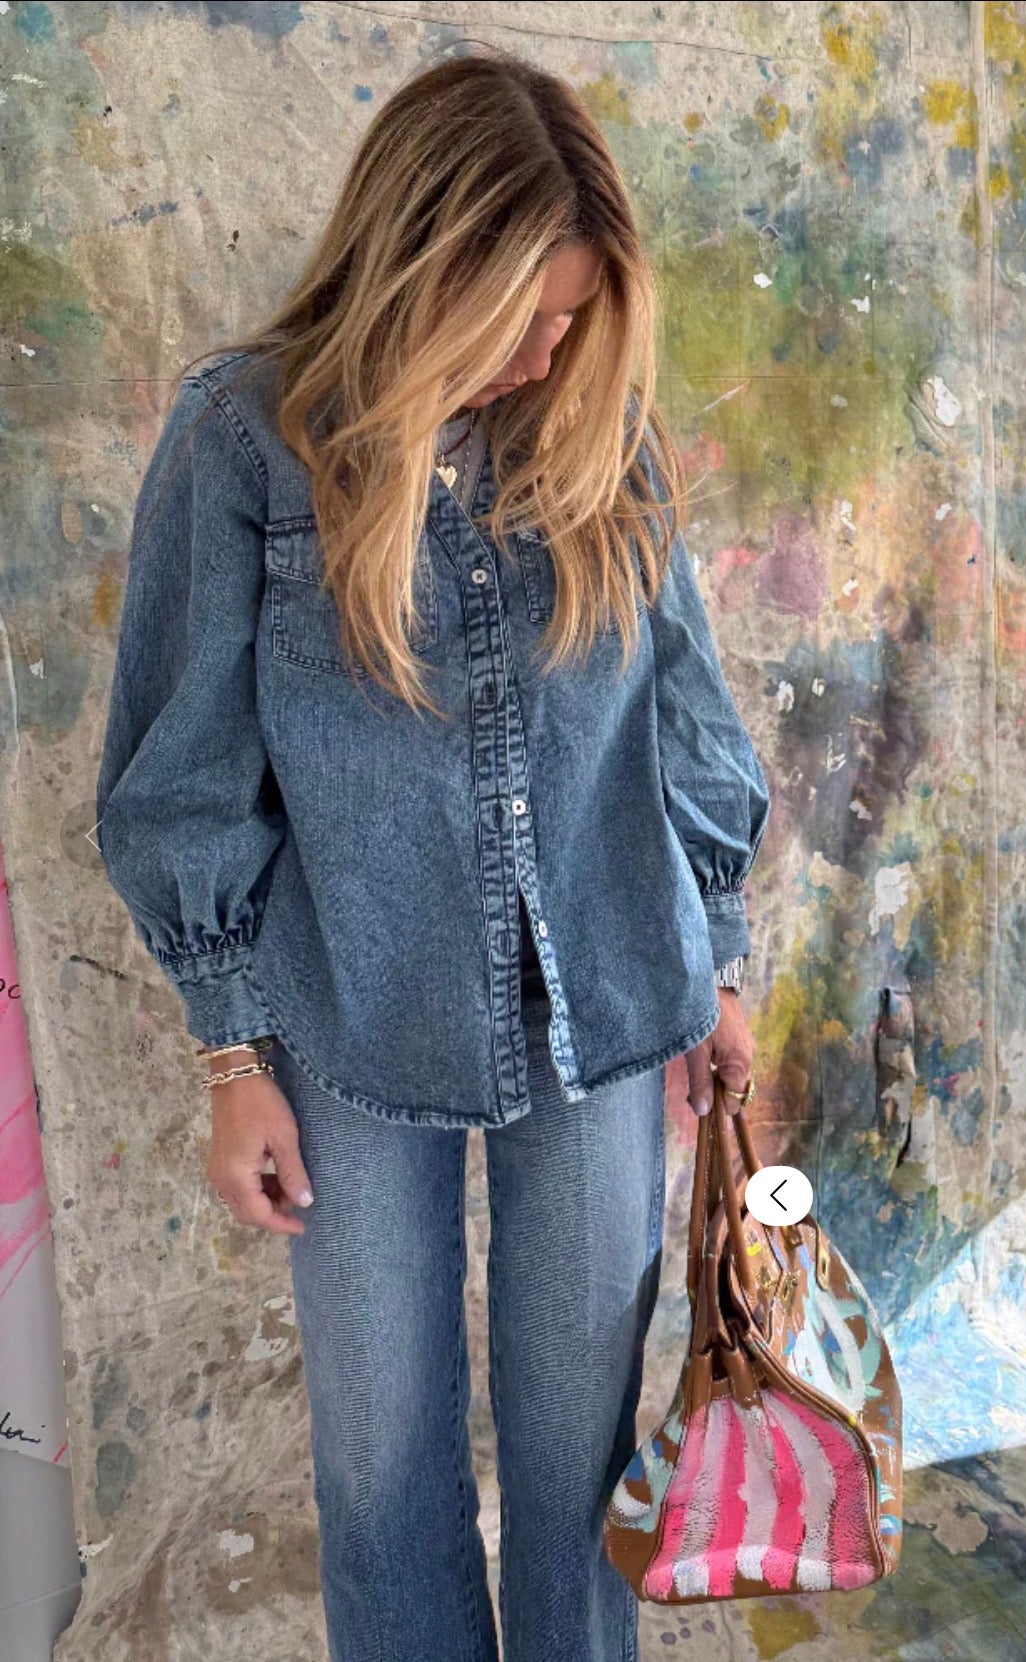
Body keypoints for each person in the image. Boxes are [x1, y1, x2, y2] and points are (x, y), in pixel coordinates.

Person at [94, 50, 770, 1662]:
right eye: (523, 317)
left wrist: (717, 960)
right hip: (352, 1012)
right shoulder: (247, 442)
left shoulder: (596, 424)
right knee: (382, 1461)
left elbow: (680, 708)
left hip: (603, 995)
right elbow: (186, 768)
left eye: (573, 320)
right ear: (423, 271)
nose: (548, 354)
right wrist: (232, 1053)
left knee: (583, 1455)